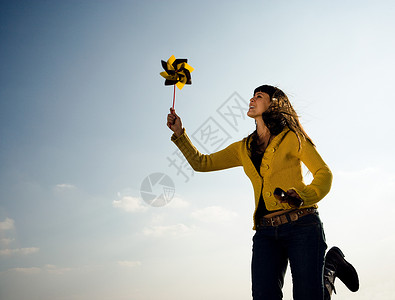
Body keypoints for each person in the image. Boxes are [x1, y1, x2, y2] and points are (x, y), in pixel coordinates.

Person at [166, 85, 358, 300]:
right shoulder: (243, 147)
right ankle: (329, 265)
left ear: (273, 104)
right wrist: (180, 133)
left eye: (259, 96)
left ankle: (330, 266)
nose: (251, 99)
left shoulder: (292, 138)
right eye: (252, 95)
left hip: (303, 226)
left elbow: (324, 173)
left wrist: (304, 196)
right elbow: (202, 163)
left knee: (309, 296)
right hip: (266, 234)